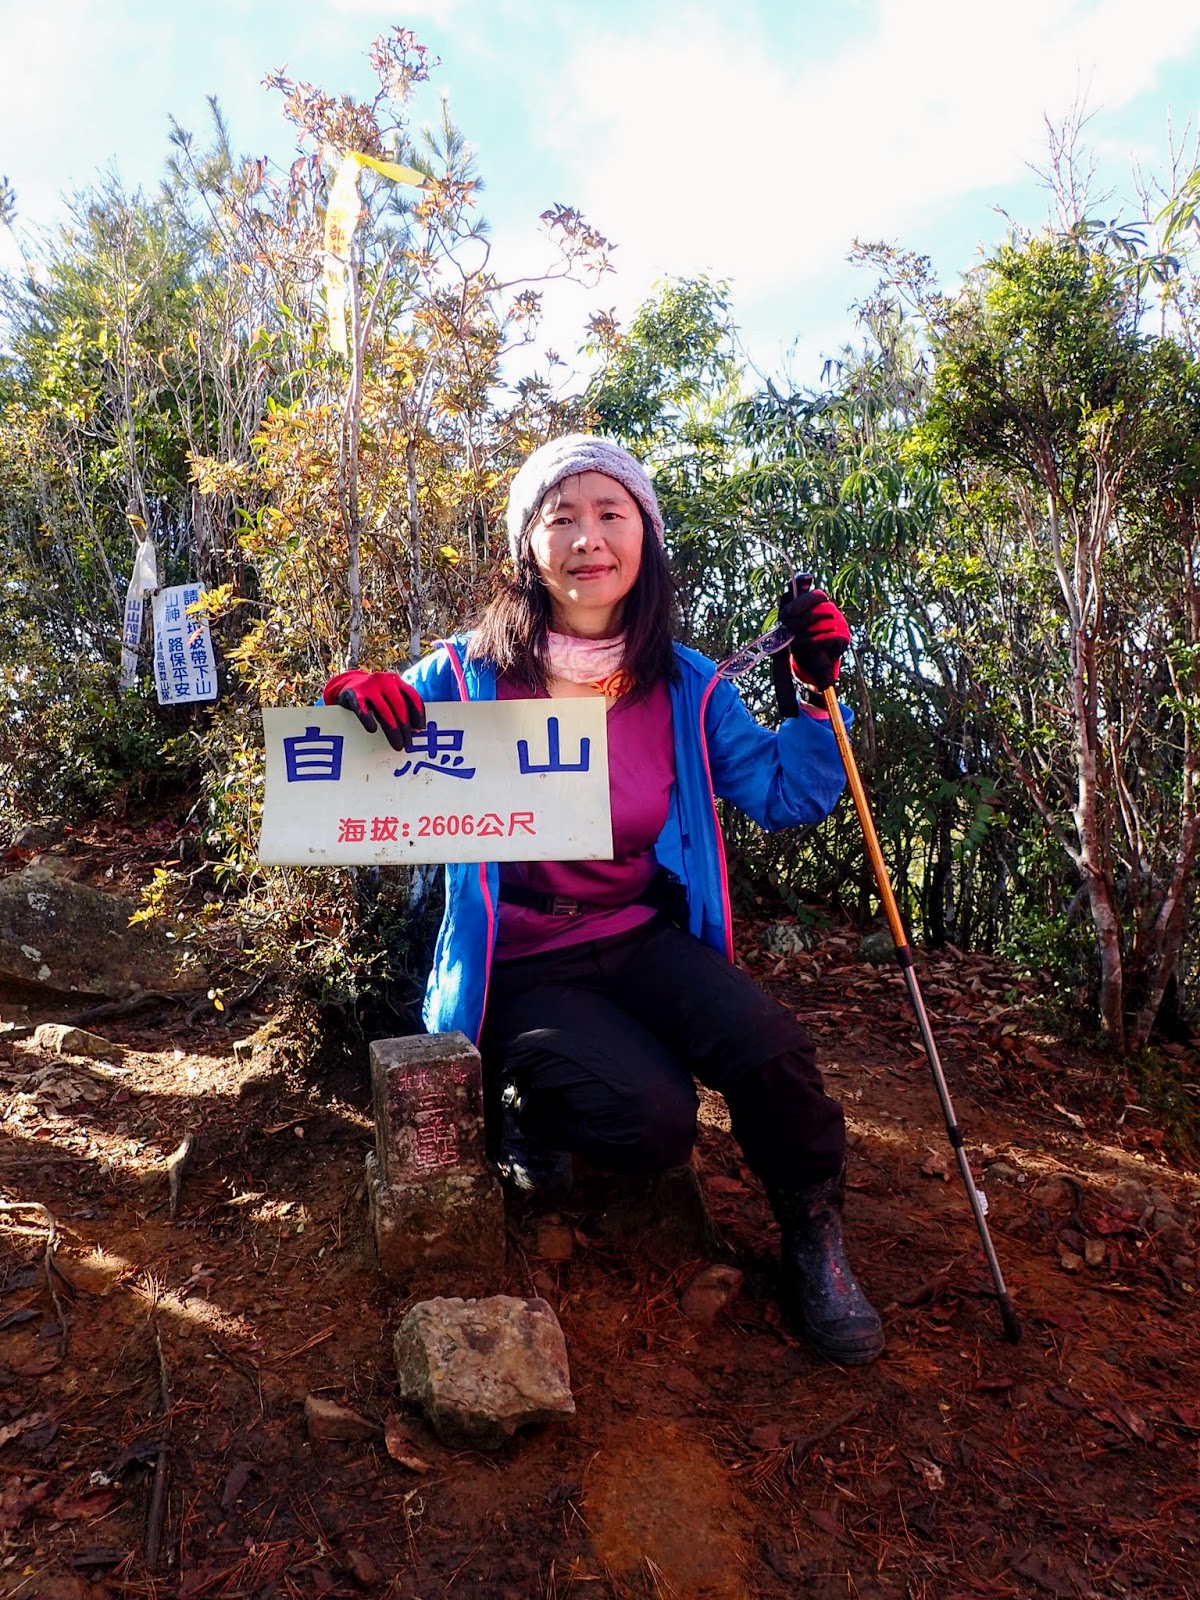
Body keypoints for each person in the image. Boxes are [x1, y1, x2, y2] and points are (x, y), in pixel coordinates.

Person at [322, 434, 884, 1366]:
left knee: (772, 1048)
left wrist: (815, 698)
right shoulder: (466, 674)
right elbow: (359, 738)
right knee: (654, 1123)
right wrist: (353, 699)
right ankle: (528, 1108)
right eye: (562, 517)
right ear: (528, 546)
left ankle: (815, 1234)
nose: (589, 537)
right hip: (521, 961)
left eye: (611, 513)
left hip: (636, 932)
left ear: (644, 537)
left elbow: (785, 793)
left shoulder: (686, 684)